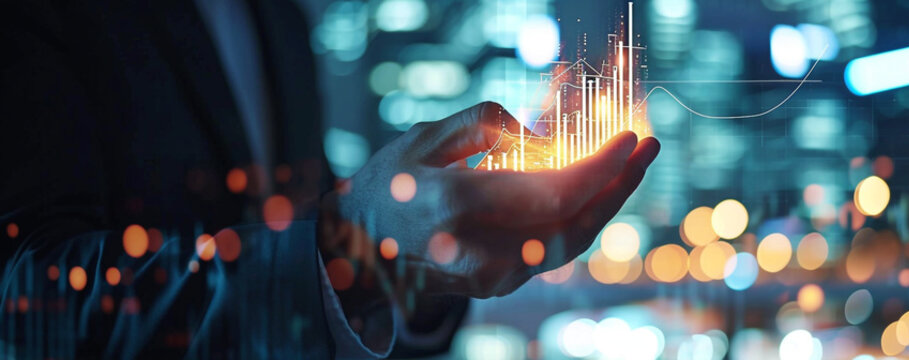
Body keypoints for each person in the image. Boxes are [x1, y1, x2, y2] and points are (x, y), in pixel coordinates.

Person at [0, 0, 660, 358]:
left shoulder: (277, 19)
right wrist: (356, 254)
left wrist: (419, 273)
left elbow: (301, 243)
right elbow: (22, 303)